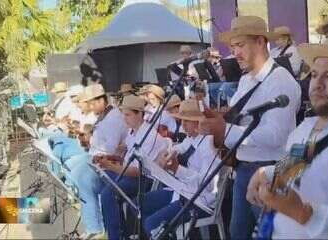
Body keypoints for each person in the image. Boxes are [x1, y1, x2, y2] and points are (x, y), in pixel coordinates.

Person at [246, 32, 328, 239]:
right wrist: (268, 172)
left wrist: (303, 213)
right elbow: (297, 169)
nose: (317, 84)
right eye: (315, 75)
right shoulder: (306, 128)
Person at [198, 16, 302, 239]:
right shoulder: (246, 81)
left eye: (241, 45)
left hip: (270, 174)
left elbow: (276, 135)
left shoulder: (280, 81)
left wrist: (222, 130)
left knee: (269, 235)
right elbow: (237, 118)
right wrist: (216, 120)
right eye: (233, 46)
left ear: (260, 42)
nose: (235, 53)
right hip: (244, 169)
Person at [142, 99, 221, 236]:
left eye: (187, 121)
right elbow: (181, 147)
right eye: (182, 120)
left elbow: (207, 185)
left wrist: (177, 169)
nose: (183, 125)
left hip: (200, 200)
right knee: (140, 204)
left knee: (151, 224)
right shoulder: (192, 138)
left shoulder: (209, 145)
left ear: (198, 122)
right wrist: (167, 153)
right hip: (184, 191)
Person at [98, 95, 169, 240]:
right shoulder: (133, 132)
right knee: (102, 181)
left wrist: (110, 166)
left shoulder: (149, 136)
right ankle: (121, 231)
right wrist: (111, 159)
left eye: (128, 115)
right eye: (123, 115)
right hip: (131, 174)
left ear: (140, 114)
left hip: (145, 179)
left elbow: (137, 171)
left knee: (108, 194)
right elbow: (128, 160)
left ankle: (116, 236)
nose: (125, 119)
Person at [71, 83, 128, 239]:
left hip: (110, 163)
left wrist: (97, 155)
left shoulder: (113, 118)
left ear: (99, 101)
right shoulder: (105, 116)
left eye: (91, 104)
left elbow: (111, 149)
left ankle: (95, 225)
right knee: (76, 173)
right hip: (98, 159)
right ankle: (93, 222)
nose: (90, 107)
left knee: (83, 180)